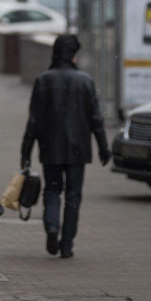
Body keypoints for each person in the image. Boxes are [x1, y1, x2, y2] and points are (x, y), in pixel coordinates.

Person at [21, 34, 110, 259]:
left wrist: (26, 151)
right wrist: (103, 147)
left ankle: (52, 225)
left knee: (52, 189)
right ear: (73, 54)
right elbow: (96, 119)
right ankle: (67, 243)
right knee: (73, 195)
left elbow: (34, 120)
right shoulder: (85, 81)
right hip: (78, 149)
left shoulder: (43, 80)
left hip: (50, 148)